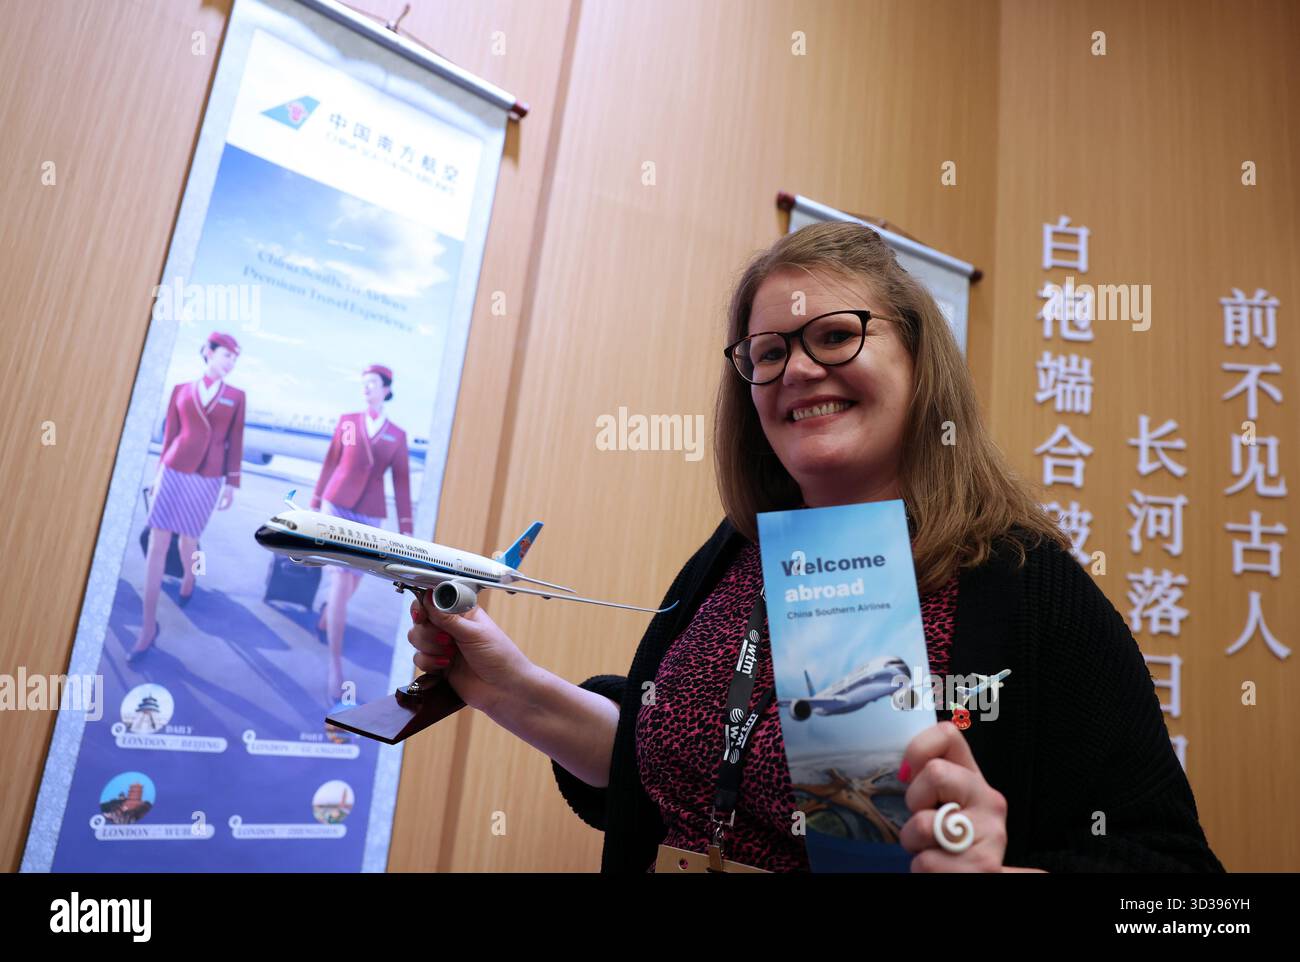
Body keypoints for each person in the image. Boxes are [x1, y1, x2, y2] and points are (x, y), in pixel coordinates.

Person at [405, 221, 1224, 873]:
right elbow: (659, 768)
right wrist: (506, 686)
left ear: (918, 360)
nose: (797, 369)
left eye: (835, 336)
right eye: (768, 352)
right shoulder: (732, 557)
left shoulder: (1023, 585)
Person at [129, 331, 245, 663]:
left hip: (208, 478)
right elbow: (171, 436)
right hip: (173, 470)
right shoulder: (181, 390)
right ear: (208, 352)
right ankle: (147, 626)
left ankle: (189, 580)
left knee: (188, 543)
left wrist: (232, 483)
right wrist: (157, 476)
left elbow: (235, 441)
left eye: (235, 360)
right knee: (157, 543)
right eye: (226, 356)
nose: (230, 363)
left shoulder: (236, 397)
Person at [312, 364, 414, 702]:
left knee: (353, 581)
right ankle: (335, 667)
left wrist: (407, 529)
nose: (366, 389)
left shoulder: (396, 435)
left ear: (386, 389)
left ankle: (328, 617)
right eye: (363, 384)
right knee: (341, 580)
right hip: (337, 505)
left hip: (370, 515)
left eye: (373, 384)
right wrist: (314, 503)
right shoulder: (348, 422)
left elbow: (401, 483)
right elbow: (331, 462)